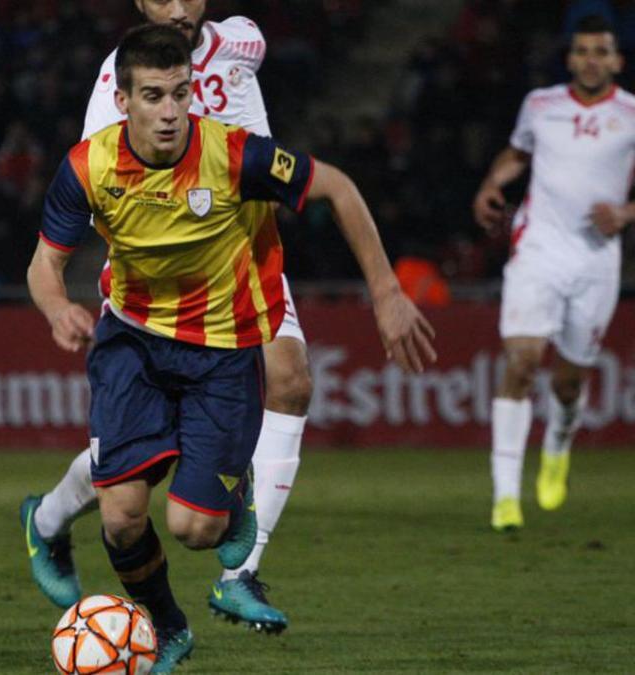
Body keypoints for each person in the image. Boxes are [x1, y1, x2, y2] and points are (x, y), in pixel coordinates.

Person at [28, 25, 435, 672]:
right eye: (154, 96)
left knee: (197, 529)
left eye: (180, 94)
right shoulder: (88, 165)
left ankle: (233, 489)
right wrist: (56, 308)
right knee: (124, 518)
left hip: (221, 350)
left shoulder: (235, 155)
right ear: (124, 99)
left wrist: (385, 291)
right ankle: (167, 626)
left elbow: (338, 188)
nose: (169, 112)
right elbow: (44, 264)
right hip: (131, 341)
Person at [21, 0, 309, 633]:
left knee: (290, 380)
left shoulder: (243, 42)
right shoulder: (114, 82)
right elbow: (105, 179)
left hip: (239, 259)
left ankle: (241, 574)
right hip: (156, 280)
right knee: (135, 472)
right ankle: (48, 519)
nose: (177, 8)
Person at [472, 15, 634, 532]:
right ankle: (504, 498)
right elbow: (517, 153)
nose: (591, 59)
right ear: (570, 58)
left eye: (601, 51)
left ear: (616, 61)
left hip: (596, 258)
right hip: (537, 248)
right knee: (519, 363)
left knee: (568, 382)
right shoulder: (541, 105)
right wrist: (490, 185)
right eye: (583, 50)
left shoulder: (632, 114)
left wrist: (627, 214)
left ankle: (559, 443)